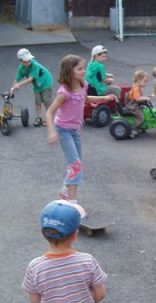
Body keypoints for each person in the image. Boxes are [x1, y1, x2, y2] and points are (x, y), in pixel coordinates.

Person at [46, 54, 117, 205]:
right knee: (75, 165)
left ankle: (65, 190)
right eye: (80, 69)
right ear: (69, 72)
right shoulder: (64, 92)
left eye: (83, 68)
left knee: (76, 163)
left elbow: (86, 99)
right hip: (63, 130)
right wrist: (51, 131)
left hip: (75, 130)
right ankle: (72, 202)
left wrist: (105, 98)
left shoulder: (83, 85)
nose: (84, 71)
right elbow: (49, 112)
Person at [11, 48, 53, 127]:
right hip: (37, 85)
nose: (28, 62)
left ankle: (48, 119)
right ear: (20, 61)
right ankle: (38, 118)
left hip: (46, 82)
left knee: (47, 101)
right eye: (26, 61)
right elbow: (17, 79)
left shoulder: (35, 65)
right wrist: (12, 89)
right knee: (37, 102)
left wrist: (19, 85)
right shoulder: (21, 68)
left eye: (29, 60)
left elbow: (30, 79)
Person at [125, 69, 151, 135]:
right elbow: (137, 99)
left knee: (144, 111)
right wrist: (146, 98)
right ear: (139, 79)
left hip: (135, 104)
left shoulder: (137, 87)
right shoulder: (136, 88)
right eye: (145, 81)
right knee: (141, 118)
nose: (146, 83)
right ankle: (134, 129)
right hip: (132, 105)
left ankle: (142, 126)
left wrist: (145, 98)